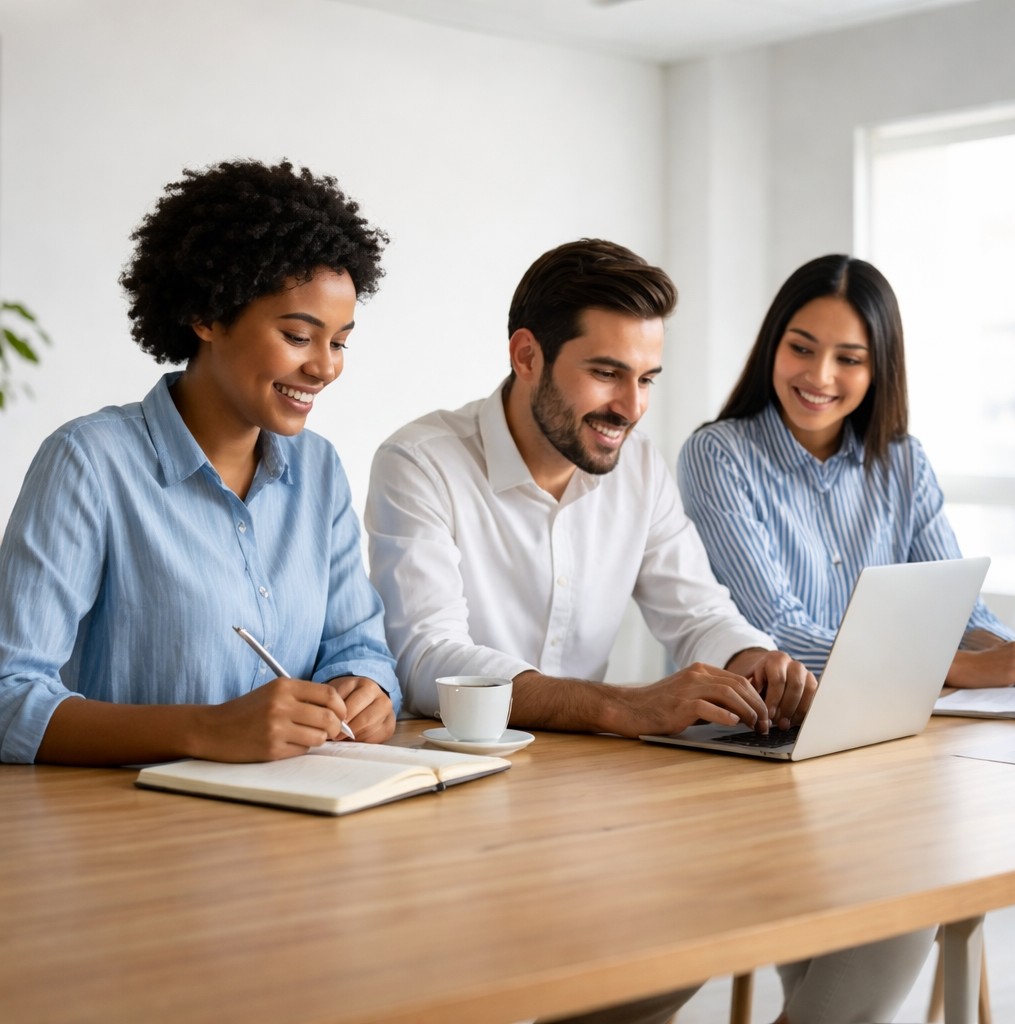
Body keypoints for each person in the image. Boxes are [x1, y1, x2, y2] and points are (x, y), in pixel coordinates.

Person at [365, 239, 923, 1024]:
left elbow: (695, 608)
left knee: (886, 891)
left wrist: (755, 659)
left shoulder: (639, 468)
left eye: (647, 379)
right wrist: (624, 707)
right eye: (606, 373)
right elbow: (428, 659)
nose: (630, 406)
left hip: (588, 816)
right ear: (527, 356)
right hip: (455, 820)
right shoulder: (421, 461)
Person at [0, 158, 400, 767]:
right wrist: (205, 730)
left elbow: (358, 644)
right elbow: (8, 699)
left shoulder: (318, 470)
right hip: (134, 831)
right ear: (207, 315)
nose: (326, 367)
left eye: (339, 341)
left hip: (296, 824)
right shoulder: (88, 463)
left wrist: (367, 687)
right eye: (299, 336)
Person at [678, 253, 1015, 687]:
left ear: (878, 369)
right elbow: (778, 631)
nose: (820, 376)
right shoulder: (717, 456)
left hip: (886, 713)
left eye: (849, 359)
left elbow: (959, 611)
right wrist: (949, 668)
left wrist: (1010, 654)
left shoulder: (904, 463)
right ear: (772, 345)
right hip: (761, 723)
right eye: (801, 348)